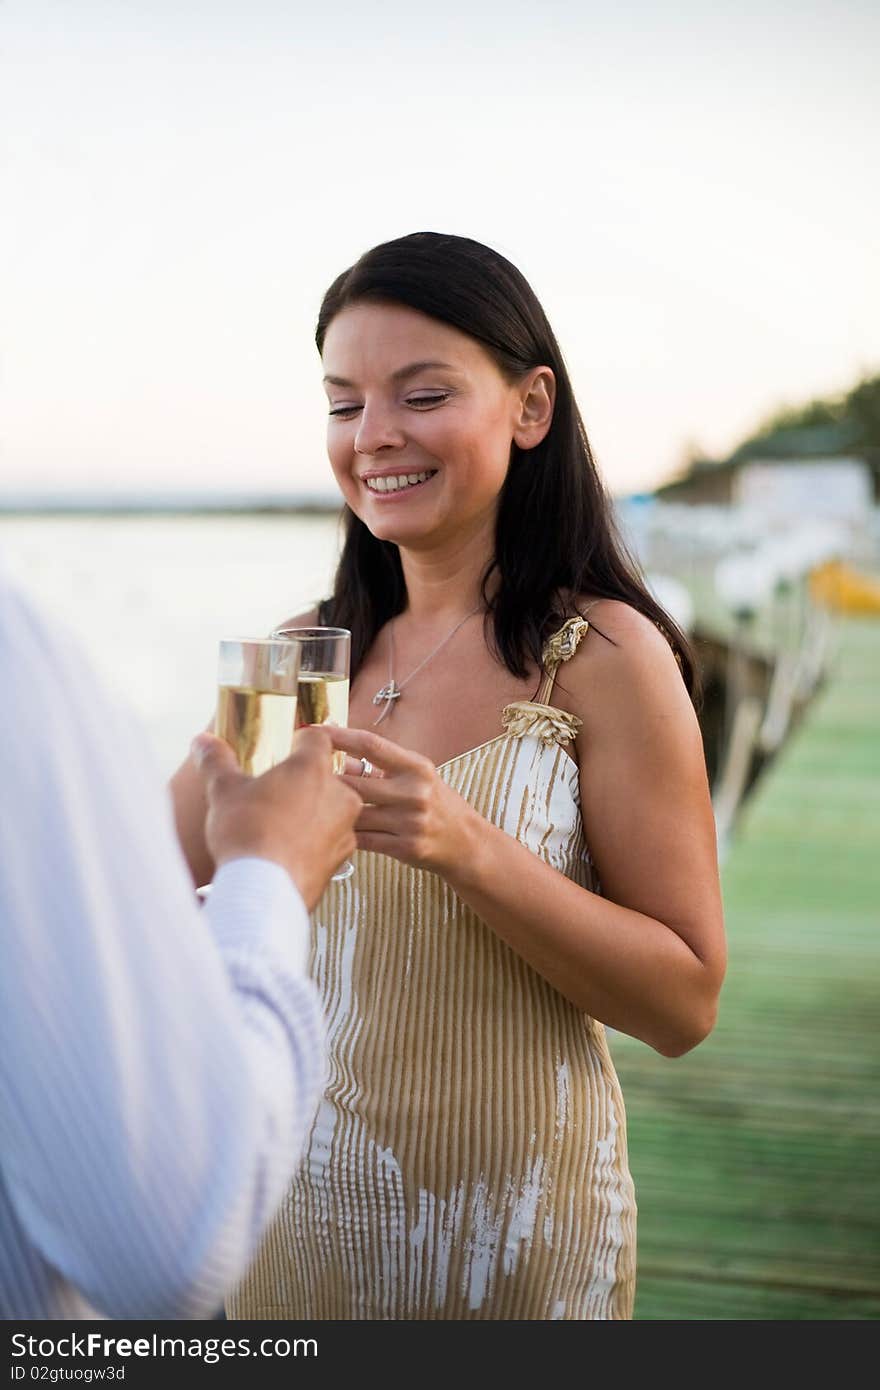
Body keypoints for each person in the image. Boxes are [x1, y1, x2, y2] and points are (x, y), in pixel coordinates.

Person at [172, 231, 728, 1320]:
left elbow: (683, 1001)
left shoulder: (605, 656)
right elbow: (131, 894)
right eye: (342, 404)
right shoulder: (294, 660)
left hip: (514, 1244)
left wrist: (461, 842)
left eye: (420, 394)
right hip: (286, 1232)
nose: (373, 436)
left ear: (529, 408)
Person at [0, 566, 360, 1320]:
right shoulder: (18, 654)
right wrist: (270, 876)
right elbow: (170, 1253)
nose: (374, 439)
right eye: (344, 431)